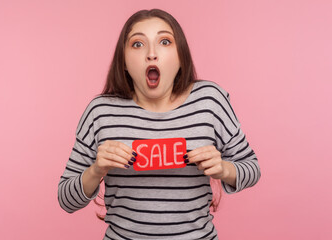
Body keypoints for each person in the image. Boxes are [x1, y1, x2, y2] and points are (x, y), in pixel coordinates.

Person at [58, 9, 261, 240]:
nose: (151, 54)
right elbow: (66, 200)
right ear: (123, 62)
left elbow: (252, 168)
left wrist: (225, 169)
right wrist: (96, 170)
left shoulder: (210, 101)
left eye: (165, 41)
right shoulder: (100, 112)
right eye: (137, 44)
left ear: (180, 57)